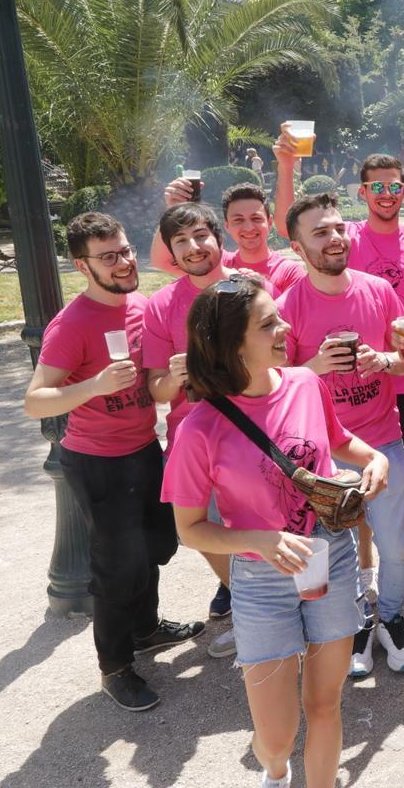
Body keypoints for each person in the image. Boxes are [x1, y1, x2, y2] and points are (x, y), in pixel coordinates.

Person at [162, 273, 388, 788]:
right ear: (232, 346)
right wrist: (258, 540)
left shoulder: (307, 384)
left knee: (325, 703)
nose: (286, 327)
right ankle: (276, 768)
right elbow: (191, 530)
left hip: (330, 556)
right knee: (278, 737)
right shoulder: (199, 429)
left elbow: (340, 439)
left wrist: (373, 457)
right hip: (262, 579)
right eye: (269, 324)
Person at [24, 212, 203, 712]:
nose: (123, 262)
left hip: (145, 448)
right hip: (98, 462)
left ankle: (146, 628)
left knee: (155, 546)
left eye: (124, 251)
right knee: (117, 566)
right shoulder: (72, 324)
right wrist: (94, 387)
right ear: (83, 266)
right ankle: (115, 667)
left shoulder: (141, 305)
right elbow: (35, 400)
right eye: (109, 256)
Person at [274, 142, 404, 611]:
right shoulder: (288, 308)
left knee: (394, 548)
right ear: (297, 247)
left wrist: (385, 361)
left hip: (384, 443)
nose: (334, 238)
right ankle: (352, 629)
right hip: (321, 452)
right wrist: (314, 368)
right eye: (319, 233)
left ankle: (390, 620)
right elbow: (272, 389)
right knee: (331, 554)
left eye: (338, 228)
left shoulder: (380, 291)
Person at [144, 202, 265, 660]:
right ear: (172, 252)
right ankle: (252, 607)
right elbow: (156, 389)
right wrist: (176, 376)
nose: (193, 248)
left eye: (200, 236)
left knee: (263, 525)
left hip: (257, 433)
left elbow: (281, 357)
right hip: (195, 440)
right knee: (200, 530)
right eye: (182, 242)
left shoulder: (253, 288)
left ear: (218, 238)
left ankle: (273, 609)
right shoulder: (162, 304)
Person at [150, 181, 306, 294]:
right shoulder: (216, 262)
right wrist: (173, 209)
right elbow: (161, 262)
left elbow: (293, 323)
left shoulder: (289, 271)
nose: (249, 227)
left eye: (256, 218)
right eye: (238, 220)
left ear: (269, 222)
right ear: (227, 226)